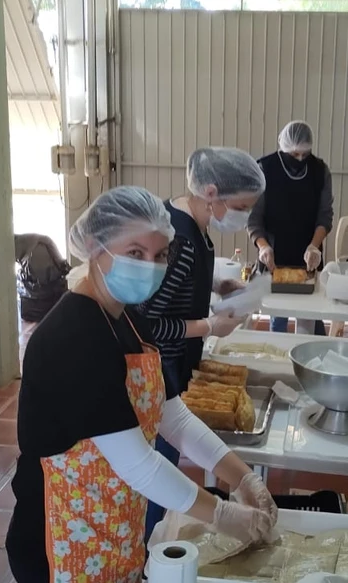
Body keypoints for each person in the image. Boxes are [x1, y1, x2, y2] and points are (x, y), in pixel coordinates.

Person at [6, 186, 278, 583]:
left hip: (109, 534)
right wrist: (223, 516)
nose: (150, 267)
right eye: (135, 251)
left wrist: (242, 477)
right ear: (95, 247)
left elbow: (175, 419)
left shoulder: (127, 317)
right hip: (59, 545)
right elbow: (138, 463)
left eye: (159, 254)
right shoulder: (74, 336)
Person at [136, 147, 266, 541]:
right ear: (211, 193)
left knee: (168, 455)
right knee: (159, 469)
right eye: (241, 206)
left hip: (173, 365)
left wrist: (215, 285)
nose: (246, 217)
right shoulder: (181, 241)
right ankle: (150, 547)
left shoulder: (185, 220)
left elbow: (176, 283)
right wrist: (209, 326)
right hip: (160, 367)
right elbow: (148, 325)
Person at [248, 120, 333, 335]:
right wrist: (263, 247)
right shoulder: (265, 169)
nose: (300, 159)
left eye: (305, 154)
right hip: (275, 254)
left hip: (308, 254)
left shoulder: (320, 171)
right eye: (294, 155)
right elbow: (254, 218)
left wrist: (315, 246)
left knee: (310, 319)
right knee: (278, 317)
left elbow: (324, 216)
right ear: (282, 147)